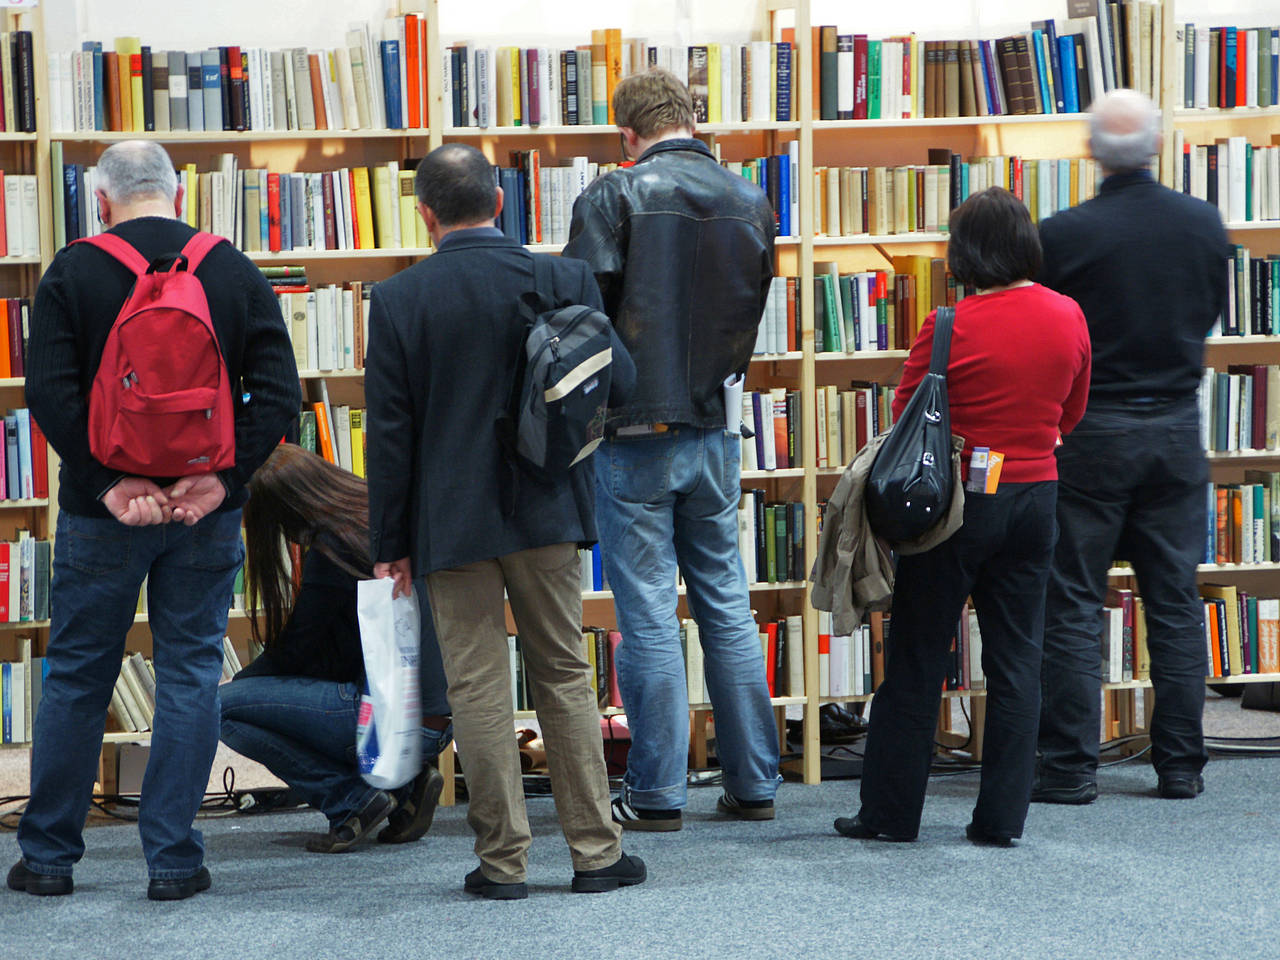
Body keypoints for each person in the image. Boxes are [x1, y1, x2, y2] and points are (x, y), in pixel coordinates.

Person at [9, 141, 300, 900]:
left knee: (76, 675)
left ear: (100, 198)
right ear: (178, 193)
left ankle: (47, 861)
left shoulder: (73, 271)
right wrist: (220, 480)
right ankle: (173, 862)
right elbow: (278, 400)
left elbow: (49, 394)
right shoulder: (231, 269)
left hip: (102, 515)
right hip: (205, 513)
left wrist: (110, 484)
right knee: (191, 674)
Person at [365, 143, 643, 900]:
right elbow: (621, 378)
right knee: (563, 673)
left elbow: (389, 437)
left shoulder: (397, 301)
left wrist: (388, 544)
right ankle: (594, 852)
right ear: (500, 200)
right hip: (548, 506)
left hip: (449, 523)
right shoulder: (561, 277)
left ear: (425, 216)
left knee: (477, 687)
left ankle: (502, 864)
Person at [834, 187, 1091, 846]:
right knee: (1017, 661)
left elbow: (904, 416)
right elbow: (1071, 414)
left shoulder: (949, 326)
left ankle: (890, 816)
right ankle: (1001, 819)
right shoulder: (1069, 316)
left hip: (954, 507)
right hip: (1037, 498)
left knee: (919, 656)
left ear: (965, 254)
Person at [562, 68, 782, 831]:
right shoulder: (751, 198)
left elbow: (578, 322)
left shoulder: (611, 196)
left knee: (649, 612)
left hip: (630, 435)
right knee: (727, 604)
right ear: (692, 116)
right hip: (718, 427)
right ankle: (754, 782)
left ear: (627, 132)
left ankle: (656, 794)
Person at [1034, 90, 1231, 805]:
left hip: (1092, 430)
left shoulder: (1063, 234)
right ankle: (1180, 765)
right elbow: (1210, 309)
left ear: (1091, 150)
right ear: (1156, 145)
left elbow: (1051, 331)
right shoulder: (1203, 223)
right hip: (1178, 427)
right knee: (1175, 599)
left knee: (1075, 600)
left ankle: (1068, 767)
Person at [219, 443, 453, 853]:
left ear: (284, 511)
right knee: (259, 702)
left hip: (385, 723)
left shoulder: (332, 550)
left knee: (219, 708)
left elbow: (297, 651)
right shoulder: (383, 523)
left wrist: (244, 685)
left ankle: (350, 802)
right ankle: (407, 783)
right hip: (437, 723)